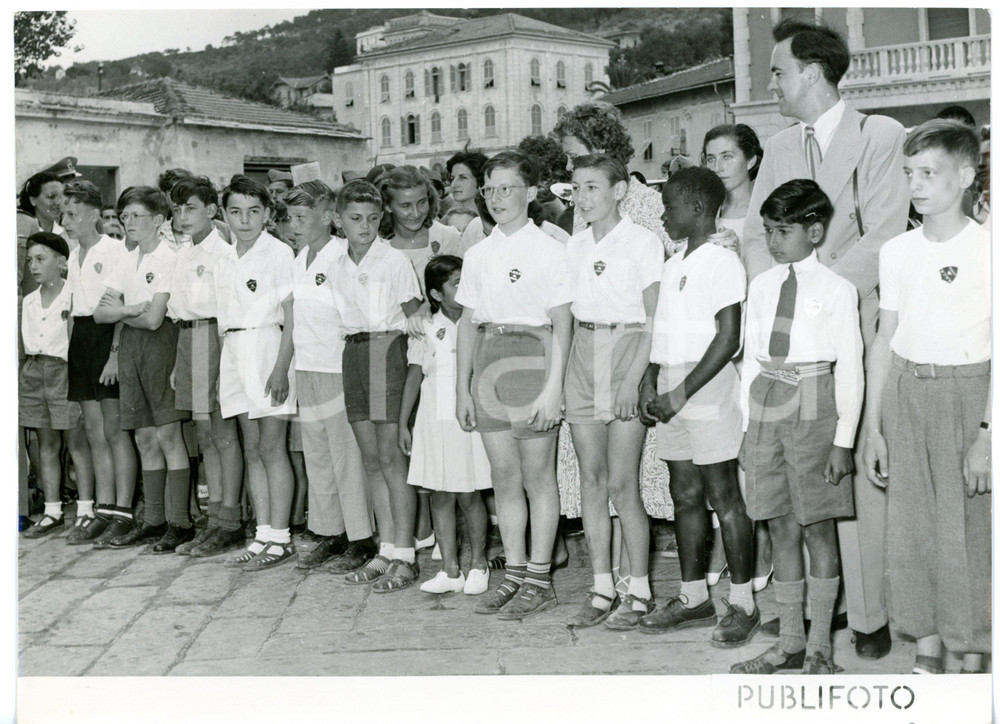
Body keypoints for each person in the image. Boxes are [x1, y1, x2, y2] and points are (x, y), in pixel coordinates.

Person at [740, 18, 910, 660]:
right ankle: (805, 628)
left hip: (858, 319)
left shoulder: (879, 135)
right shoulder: (780, 147)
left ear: (812, 72)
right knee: (791, 490)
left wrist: (818, 289)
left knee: (855, 470)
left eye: (779, 70)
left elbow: (888, 229)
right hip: (788, 339)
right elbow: (759, 235)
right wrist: (776, 289)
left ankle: (867, 616)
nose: (772, 82)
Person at [862, 120, 991, 675]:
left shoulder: (988, 249)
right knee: (913, 529)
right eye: (909, 173)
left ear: (964, 176)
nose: (915, 185)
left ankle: (972, 653)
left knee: (968, 529)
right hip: (906, 392)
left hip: (970, 396)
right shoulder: (897, 251)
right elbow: (884, 338)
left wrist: (988, 435)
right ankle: (928, 648)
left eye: (928, 173)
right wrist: (873, 426)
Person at [730, 179, 862, 675]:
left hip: (813, 397)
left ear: (815, 230)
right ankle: (788, 641)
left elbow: (850, 366)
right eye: (767, 231)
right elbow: (750, 363)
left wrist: (843, 440)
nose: (772, 241)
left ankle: (820, 647)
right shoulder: (762, 286)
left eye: (783, 230)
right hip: (767, 394)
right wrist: (748, 429)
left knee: (817, 526)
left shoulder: (836, 288)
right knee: (780, 523)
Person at [636, 167, 757, 647]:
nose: (664, 215)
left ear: (699, 208)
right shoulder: (673, 262)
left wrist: (679, 392)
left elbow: (728, 339)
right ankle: (693, 597)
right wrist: (651, 380)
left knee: (723, 495)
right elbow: (662, 332)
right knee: (683, 493)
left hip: (702, 385)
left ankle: (743, 601)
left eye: (669, 207)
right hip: (670, 381)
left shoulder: (722, 262)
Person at [455, 150, 573, 619]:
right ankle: (517, 573)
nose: (497, 198)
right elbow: (467, 323)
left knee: (537, 476)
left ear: (531, 192)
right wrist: (461, 388)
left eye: (507, 188)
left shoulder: (550, 249)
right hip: (489, 358)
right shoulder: (478, 253)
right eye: (490, 189)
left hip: (534, 358)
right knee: (504, 477)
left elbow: (563, 324)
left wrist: (553, 389)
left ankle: (541, 578)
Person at [561, 155, 661, 630]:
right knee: (591, 484)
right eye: (576, 188)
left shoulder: (643, 243)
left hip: (626, 352)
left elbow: (652, 320)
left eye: (593, 187)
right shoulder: (574, 246)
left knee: (624, 485)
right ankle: (601, 586)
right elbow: (564, 317)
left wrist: (631, 379)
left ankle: (638, 589)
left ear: (620, 190)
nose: (582, 198)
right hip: (584, 353)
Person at [329, 179, 423, 591]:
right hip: (353, 353)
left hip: (388, 350)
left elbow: (415, 317)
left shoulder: (393, 261)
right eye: (354, 219)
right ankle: (386, 549)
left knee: (391, 459)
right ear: (338, 220)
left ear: (381, 217)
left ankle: (406, 553)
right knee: (370, 460)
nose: (364, 227)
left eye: (371, 218)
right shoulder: (336, 265)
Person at [283, 181, 379, 573]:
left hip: (338, 368)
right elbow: (293, 321)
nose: (293, 225)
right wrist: (285, 369)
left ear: (327, 217)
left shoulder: (343, 256)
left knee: (347, 457)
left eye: (302, 217)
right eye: (289, 218)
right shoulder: (299, 257)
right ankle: (329, 531)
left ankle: (361, 537)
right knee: (318, 457)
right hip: (307, 367)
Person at [92, 187, 193, 554]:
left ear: (158, 220)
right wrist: (129, 310)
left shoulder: (170, 257)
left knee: (168, 436)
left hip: (162, 344)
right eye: (124, 216)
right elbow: (100, 313)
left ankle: (180, 522)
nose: (128, 222)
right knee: (144, 438)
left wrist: (128, 310)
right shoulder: (127, 258)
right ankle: (153, 520)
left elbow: (154, 319)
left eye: (136, 216)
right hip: (131, 347)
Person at [701, 123, 773, 592]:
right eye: (710, 158)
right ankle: (725, 547)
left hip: (756, 340)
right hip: (710, 343)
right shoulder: (703, 211)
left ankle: (760, 552)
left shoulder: (766, 211)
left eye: (727, 157)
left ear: (749, 159)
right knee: (714, 451)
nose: (718, 167)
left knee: (752, 453)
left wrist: (741, 256)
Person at [214, 176, 298, 570]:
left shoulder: (278, 253)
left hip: (267, 348)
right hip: (233, 349)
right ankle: (263, 533)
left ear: (267, 213)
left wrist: (281, 368)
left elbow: (292, 315)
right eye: (235, 212)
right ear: (224, 214)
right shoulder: (224, 255)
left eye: (253, 211)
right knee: (251, 449)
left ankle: (281, 538)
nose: (244, 220)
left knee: (271, 447)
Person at [399, 255, 492, 595]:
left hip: (466, 417)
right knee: (440, 494)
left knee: (469, 494)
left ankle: (479, 564)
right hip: (433, 418)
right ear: (436, 295)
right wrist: (402, 424)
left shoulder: (479, 320)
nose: (464, 288)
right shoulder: (424, 326)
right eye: (456, 284)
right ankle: (450, 569)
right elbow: (414, 374)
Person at [166, 177, 246, 557]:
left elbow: (226, 309)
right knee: (205, 435)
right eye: (178, 209)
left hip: (214, 338)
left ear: (212, 211)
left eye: (191, 208)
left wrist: (219, 358)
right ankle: (215, 519)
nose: (183, 216)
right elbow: (178, 309)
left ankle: (230, 519)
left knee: (222, 433)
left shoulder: (222, 252)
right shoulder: (183, 252)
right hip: (189, 339)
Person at [63, 183, 137, 546]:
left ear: (94, 215)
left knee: (115, 430)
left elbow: (117, 308)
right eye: (64, 214)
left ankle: (124, 511)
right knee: (94, 432)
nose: (66, 221)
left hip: (107, 337)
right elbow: (78, 311)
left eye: (73, 214)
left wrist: (115, 355)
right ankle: (104, 510)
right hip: (81, 339)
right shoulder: (75, 254)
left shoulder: (113, 250)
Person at [19, 233, 94, 538]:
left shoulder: (73, 296)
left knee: (76, 441)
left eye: (41, 258)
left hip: (66, 371)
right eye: (30, 260)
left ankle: (87, 509)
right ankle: (52, 511)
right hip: (36, 372)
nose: (34, 266)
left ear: (61, 262)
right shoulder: (29, 300)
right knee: (47, 443)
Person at [378, 165, 462, 294]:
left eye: (422, 202)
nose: (416, 213)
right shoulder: (377, 245)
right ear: (388, 206)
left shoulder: (448, 237)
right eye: (405, 206)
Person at [18, 171, 66, 238]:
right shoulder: (21, 234)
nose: (58, 202)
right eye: (51, 196)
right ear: (33, 200)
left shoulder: (68, 234)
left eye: (62, 196)